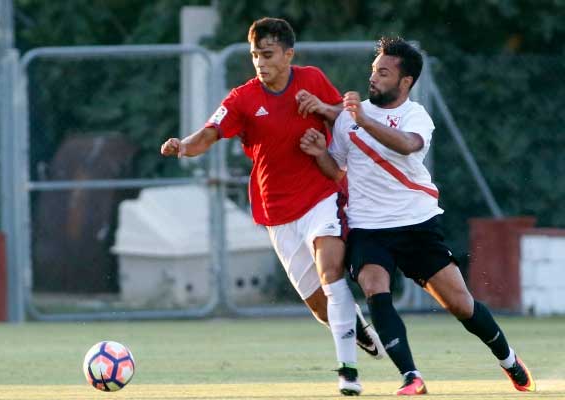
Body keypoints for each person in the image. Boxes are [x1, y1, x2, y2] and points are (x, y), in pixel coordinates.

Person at [300, 36, 536, 396]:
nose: (373, 78)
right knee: (374, 287)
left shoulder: (414, 116)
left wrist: (362, 120)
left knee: (460, 304)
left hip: (416, 225)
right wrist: (320, 153)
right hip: (368, 228)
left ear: (405, 81)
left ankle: (509, 360)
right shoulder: (349, 119)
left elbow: (408, 145)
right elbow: (338, 172)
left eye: (383, 72)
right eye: (373, 70)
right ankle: (411, 376)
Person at [160, 17, 383, 396]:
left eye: (267, 54)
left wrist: (323, 107)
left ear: (288, 54)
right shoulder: (243, 98)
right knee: (318, 306)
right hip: (277, 212)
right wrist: (183, 145)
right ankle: (355, 327)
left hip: (320, 196)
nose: (260, 63)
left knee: (331, 272)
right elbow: (211, 132)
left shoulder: (311, 78)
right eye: (254, 55)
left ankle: (348, 372)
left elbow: (343, 116)